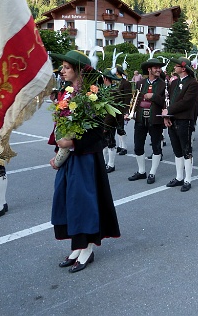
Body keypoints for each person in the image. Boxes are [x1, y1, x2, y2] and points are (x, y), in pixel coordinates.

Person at [49, 50, 120, 273]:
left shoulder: (92, 96)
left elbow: (99, 132)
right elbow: (62, 123)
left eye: (67, 68)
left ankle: (87, 249)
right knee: (69, 201)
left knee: (85, 204)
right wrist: (60, 147)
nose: (62, 71)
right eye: (63, 67)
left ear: (79, 70)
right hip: (71, 158)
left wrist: (73, 143)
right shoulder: (67, 93)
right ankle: (77, 246)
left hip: (86, 158)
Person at [161, 57, 198, 192]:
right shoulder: (174, 82)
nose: (174, 68)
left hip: (185, 120)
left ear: (183, 68)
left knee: (186, 150)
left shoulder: (193, 83)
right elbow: (169, 101)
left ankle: (188, 179)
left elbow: (186, 102)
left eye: (176, 66)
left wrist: (169, 111)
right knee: (177, 151)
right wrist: (166, 116)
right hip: (173, 119)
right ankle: (179, 177)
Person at [127, 58, 166, 184]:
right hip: (140, 119)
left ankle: (152, 173)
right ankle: (141, 171)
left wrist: (154, 96)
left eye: (159, 68)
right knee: (138, 146)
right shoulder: (140, 83)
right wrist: (131, 113)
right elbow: (136, 100)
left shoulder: (163, 84)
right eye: (156, 68)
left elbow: (166, 102)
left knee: (156, 146)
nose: (158, 70)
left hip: (155, 119)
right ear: (149, 69)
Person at [101, 69, 122, 173]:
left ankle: (111, 164)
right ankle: (105, 162)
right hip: (106, 120)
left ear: (105, 78)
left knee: (110, 142)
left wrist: (105, 125)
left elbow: (110, 110)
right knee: (104, 143)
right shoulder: (108, 89)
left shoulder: (112, 91)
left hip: (110, 120)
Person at [114, 65, 132, 155]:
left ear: (118, 72)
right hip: (114, 109)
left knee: (121, 128)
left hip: (121, 108)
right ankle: (120, 146)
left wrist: (126, 111)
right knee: (117, 128)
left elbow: (128, 97)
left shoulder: (126, 83)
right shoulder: (115, 82)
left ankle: (124, 147)